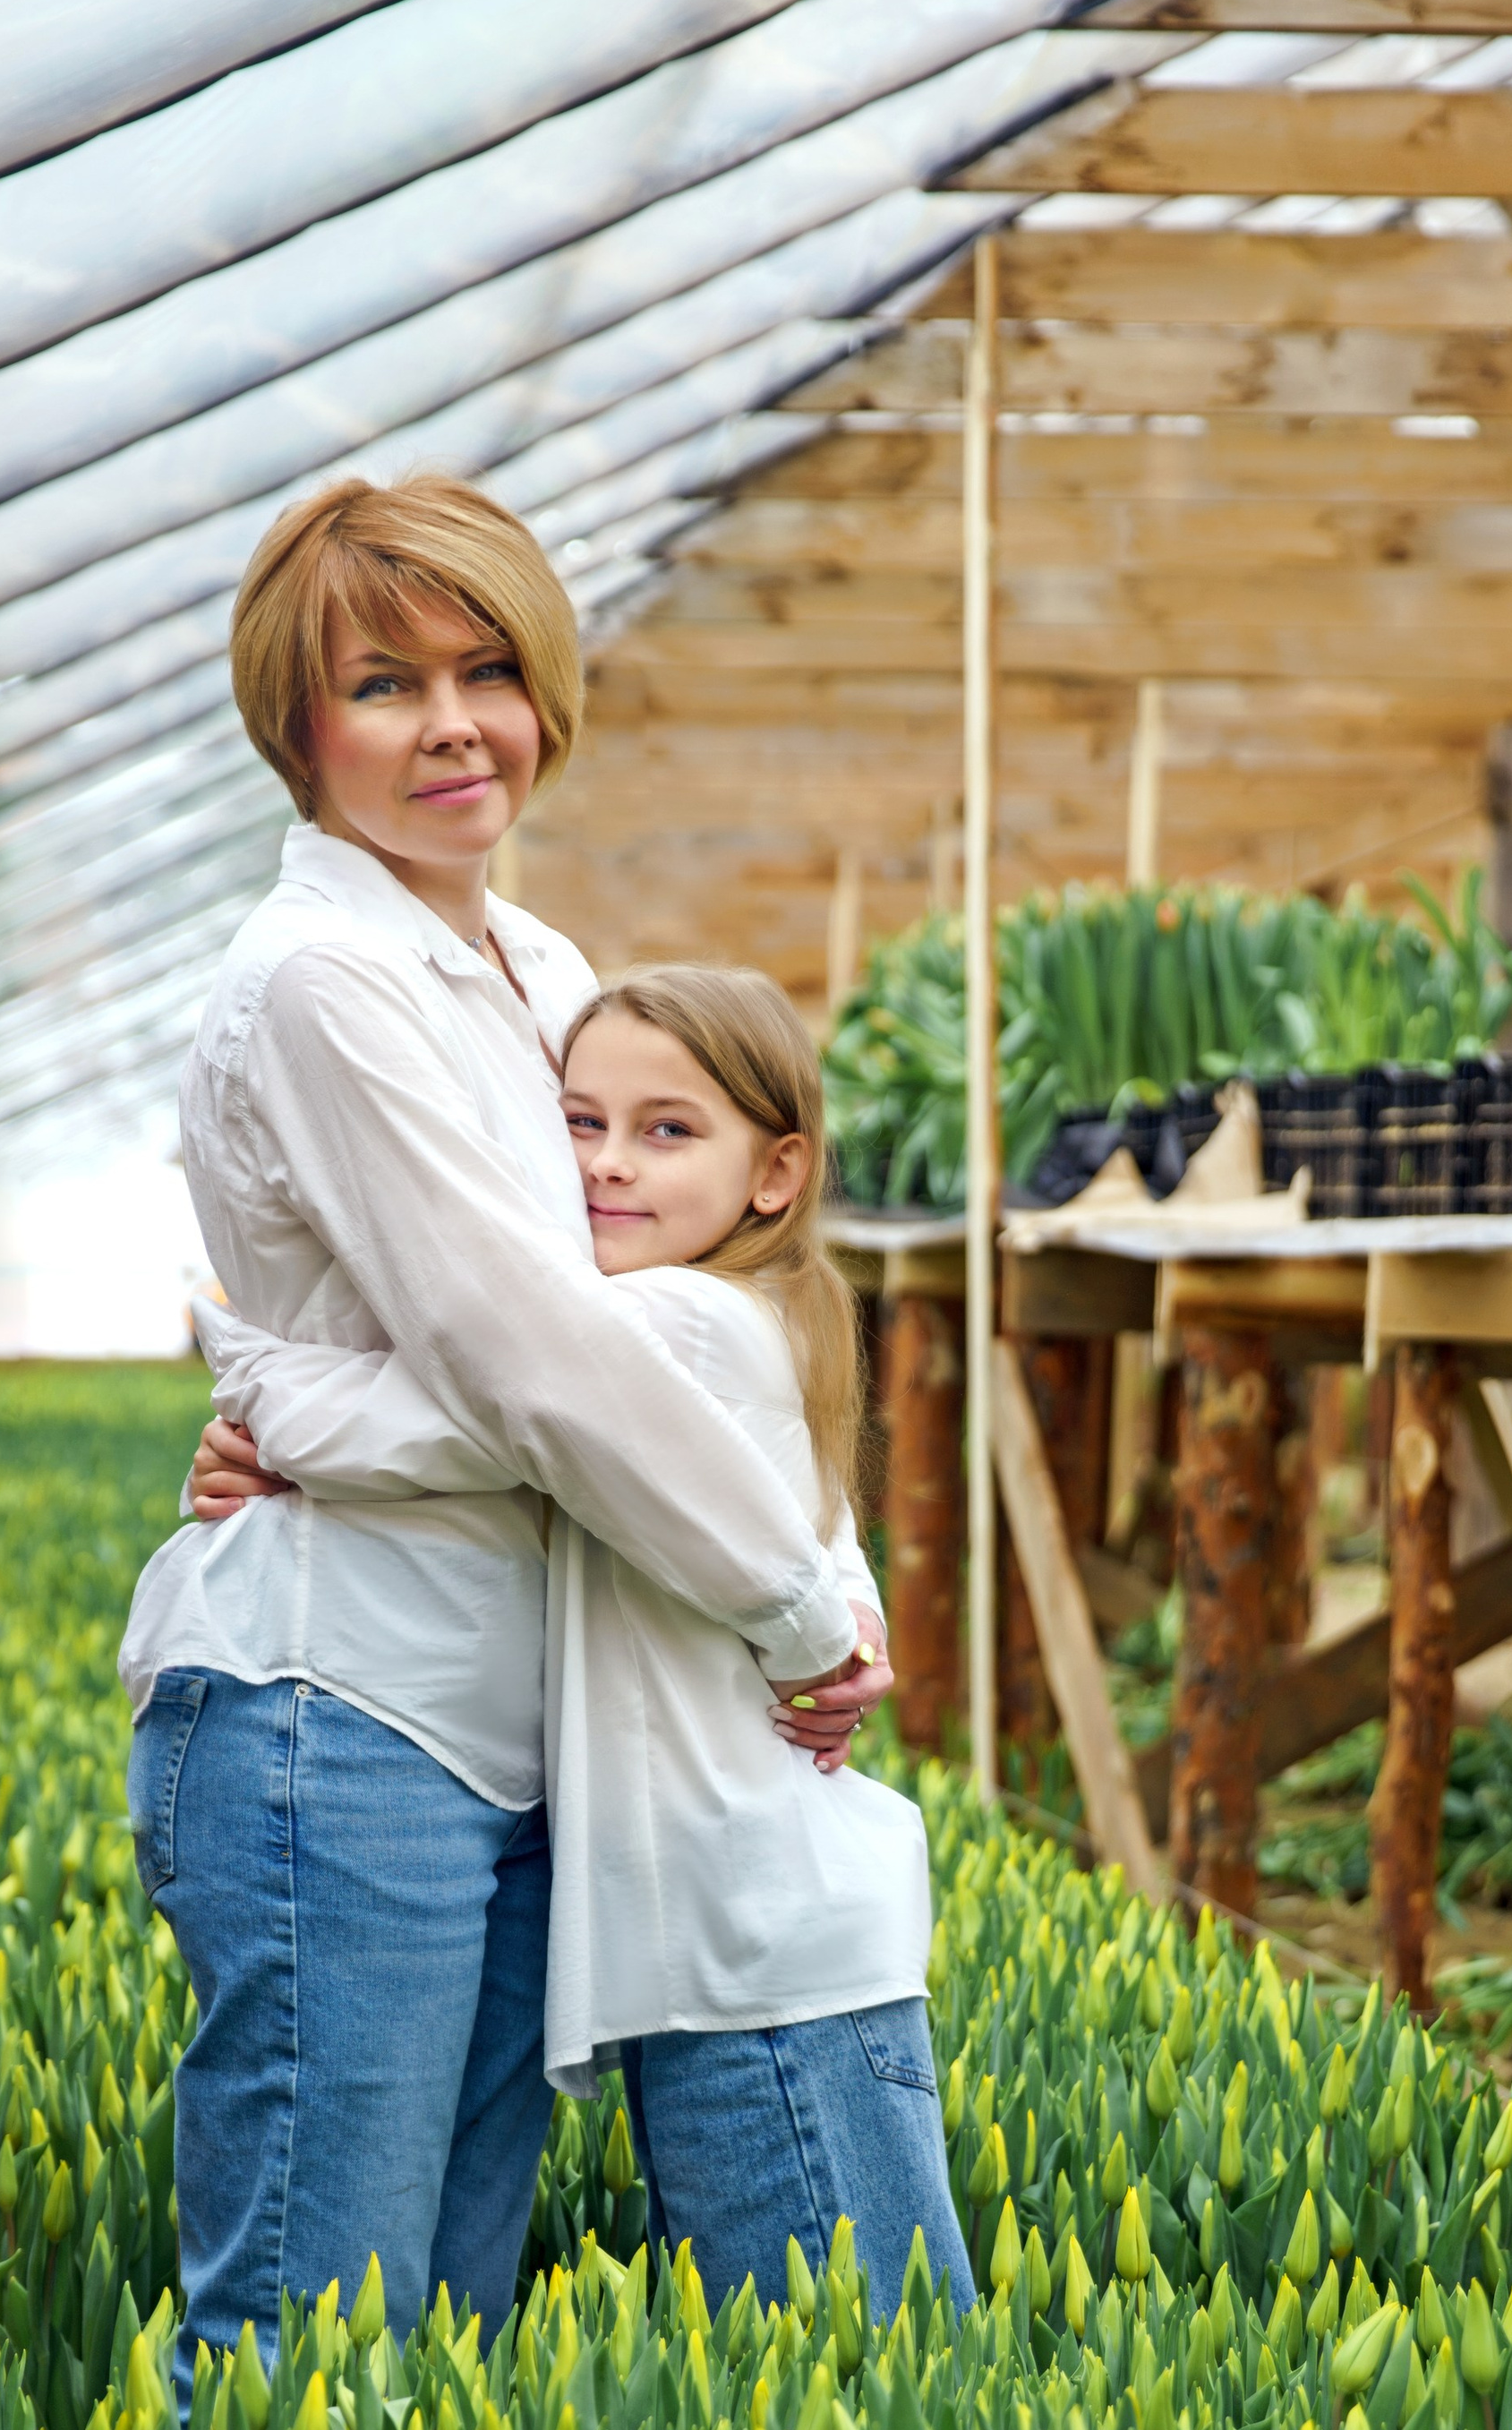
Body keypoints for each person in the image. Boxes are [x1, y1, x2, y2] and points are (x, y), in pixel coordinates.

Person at [118, 474, 890, 2382]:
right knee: (316, 2331)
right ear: (296, 729)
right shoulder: (320, 981)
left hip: (508, 1724)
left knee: (439, 2327)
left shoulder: (539, 974)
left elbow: (651, 1334)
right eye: (383, 684)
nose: (452, 722)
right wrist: (793, 1606)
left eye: (487, 669)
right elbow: (539, 1366)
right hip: (335, 1714)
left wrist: (301, 1396)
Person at [194, 965, 974, 2314]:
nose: (608, 1165)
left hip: (761, 1970)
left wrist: (256, 1386)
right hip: (748, 1964)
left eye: (669, 1130)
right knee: (844, 2421)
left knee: (869, 2414)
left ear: (776, 1172)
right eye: (578, 1121)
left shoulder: (663, 1321)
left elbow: (481, 1408)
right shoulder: (748, 1312)